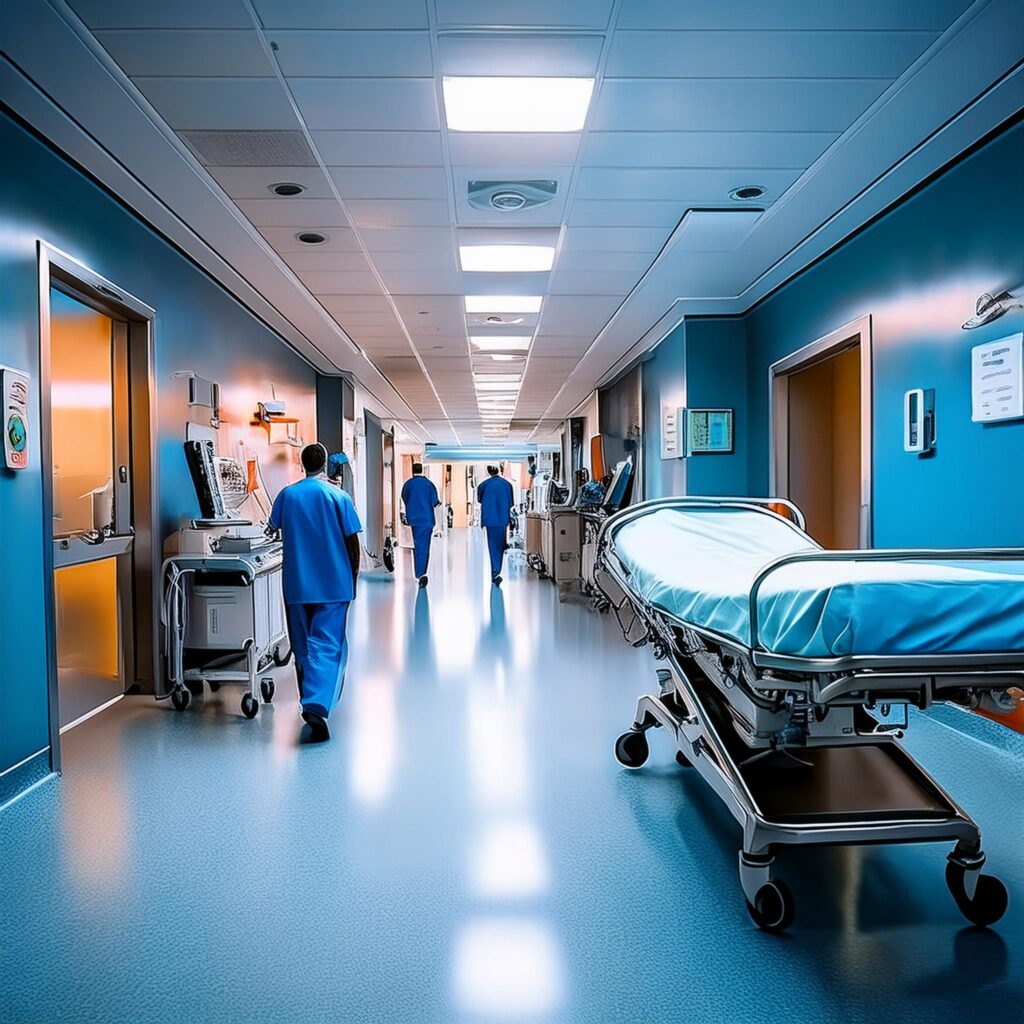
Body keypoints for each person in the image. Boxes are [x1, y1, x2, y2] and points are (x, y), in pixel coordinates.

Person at [269, 443, 361, 742]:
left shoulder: (287, 495)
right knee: (328, 643)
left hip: (297, 582)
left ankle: (307, 699)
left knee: (302, 645)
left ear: (301, 463)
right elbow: (352, 543)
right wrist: (354, 578)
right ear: (325, 464)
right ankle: (316, 704)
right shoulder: (338, 496)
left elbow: (273, 529)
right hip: (334, 583)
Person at [400, 462, 440, 587]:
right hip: (427, 520)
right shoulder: (429, 484)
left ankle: (419, 573)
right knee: (425, 546)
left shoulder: (408, 485)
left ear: (412, 471)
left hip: (414, 519)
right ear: (422, 470)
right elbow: (435, 502)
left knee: (417, 545)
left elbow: (405, 498)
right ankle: (421, 573)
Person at [477, 464, 515, 585]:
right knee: (499, 545)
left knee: (493, 546)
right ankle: (496, 571)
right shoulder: (507, 485)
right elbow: (511, 503)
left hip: (490, 520)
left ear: (488, 472)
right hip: (502, 519)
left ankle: (495, 572)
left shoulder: (483, 485)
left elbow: (480, 500)